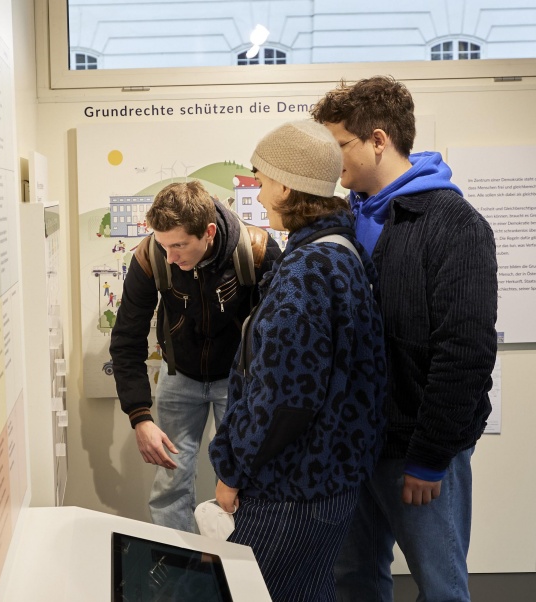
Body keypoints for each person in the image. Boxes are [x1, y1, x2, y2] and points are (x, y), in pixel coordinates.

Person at [311, 76, 498, 601]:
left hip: (416, 449)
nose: (332, 159)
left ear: (377, 139)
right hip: (352, 449)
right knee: (355, 581)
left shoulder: (455, 224)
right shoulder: (345, 220)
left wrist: (430, 457)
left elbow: (465, 352)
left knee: (440, 587)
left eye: (339, 145)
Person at [209, 119, 387, 601]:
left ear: (287, 184)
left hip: (289, 491)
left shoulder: (309, 270)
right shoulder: (343, 253)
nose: (260, 195)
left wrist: (230, 472)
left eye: (262, 181)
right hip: (327, 483)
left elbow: (283, 400)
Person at [110, 180, 280, 532]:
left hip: (238, 383)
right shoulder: (150, 256)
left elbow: (279, 340)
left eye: (179, 245)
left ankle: (243, 571)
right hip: (180, 376)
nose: (170, 256)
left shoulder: (258, 250)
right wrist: (139, 416)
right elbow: (126, 338)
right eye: (163, 245)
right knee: (170, 487)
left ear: (209, 232)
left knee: (243, 483)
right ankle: (178, 571)